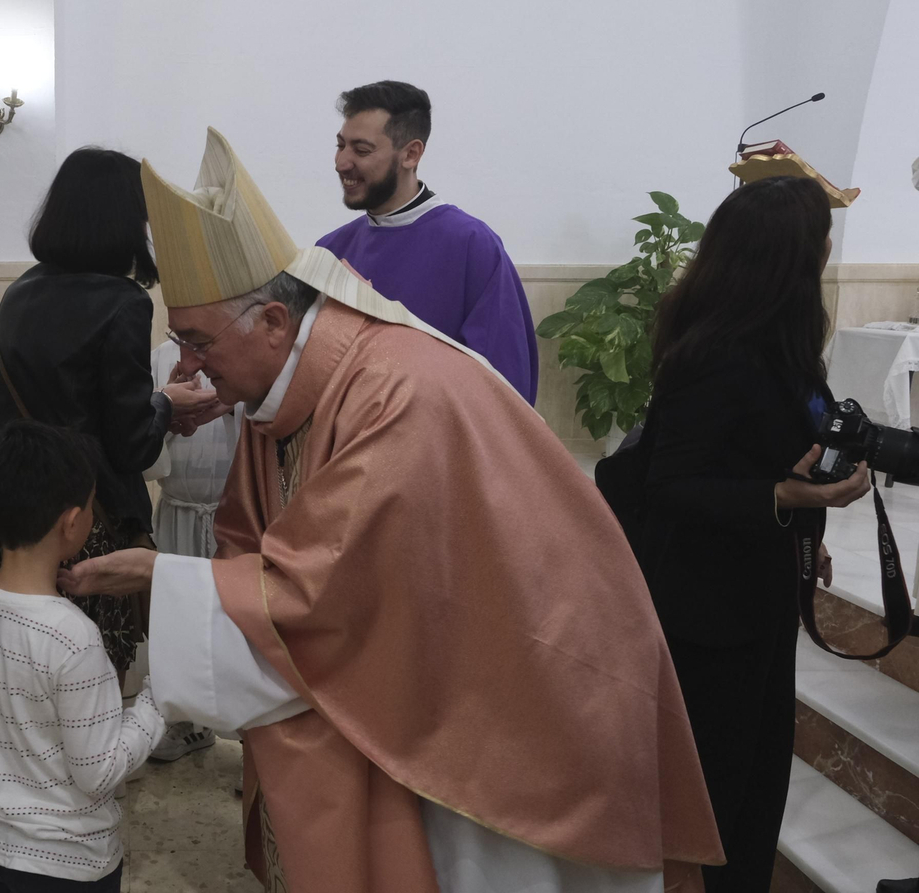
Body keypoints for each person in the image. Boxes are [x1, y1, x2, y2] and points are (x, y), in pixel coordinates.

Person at [60, 128, 724, 892]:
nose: (189, 367)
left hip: (521, 695)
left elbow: (331, 592)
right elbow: (263, 549)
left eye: (198, 341)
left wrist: (161, 577)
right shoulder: (282, 392)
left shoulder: (391, 393)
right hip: (443, 674)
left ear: (273, 323)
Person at [638, 175, 869, 892]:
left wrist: (804, 514)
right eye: (822, 237)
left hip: (760, 593)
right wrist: (781, 494)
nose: (829, 248)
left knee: (758, 783)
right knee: (720, 792)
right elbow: (666, 484)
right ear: (793, 258)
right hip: (708, 613)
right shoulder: (715, 356)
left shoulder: (783, 344)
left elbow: (763, 451)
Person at [0, 147, 222, 683]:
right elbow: (130, 446)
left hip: (14, 513)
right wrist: (166, 404)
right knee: (87, 669)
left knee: (26, 663)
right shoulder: (122, 301)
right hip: (84, 521)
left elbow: (51, 409)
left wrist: (157, 406)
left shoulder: (21, 291)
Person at [0, 421, 165, 892]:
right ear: (72, 523)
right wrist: (157, 703)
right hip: (67, 863)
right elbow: (100, 770)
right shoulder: (73, 638)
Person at [317, 80, 538, 403]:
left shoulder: (472, 246)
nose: (341, 162)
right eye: (341, 145)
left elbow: (503, 387)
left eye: (361, 150)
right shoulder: (331, 250)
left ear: (411, 154)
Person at [142, 341, 241, 765]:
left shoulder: (241, 351)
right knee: (179, 624)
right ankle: (186, 724)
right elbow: (143, 428)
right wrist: (165, 405)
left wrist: (233, 403)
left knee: (235, 629)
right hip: (179, 510)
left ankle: (249, 744)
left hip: (231, 515)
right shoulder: (162, 355)